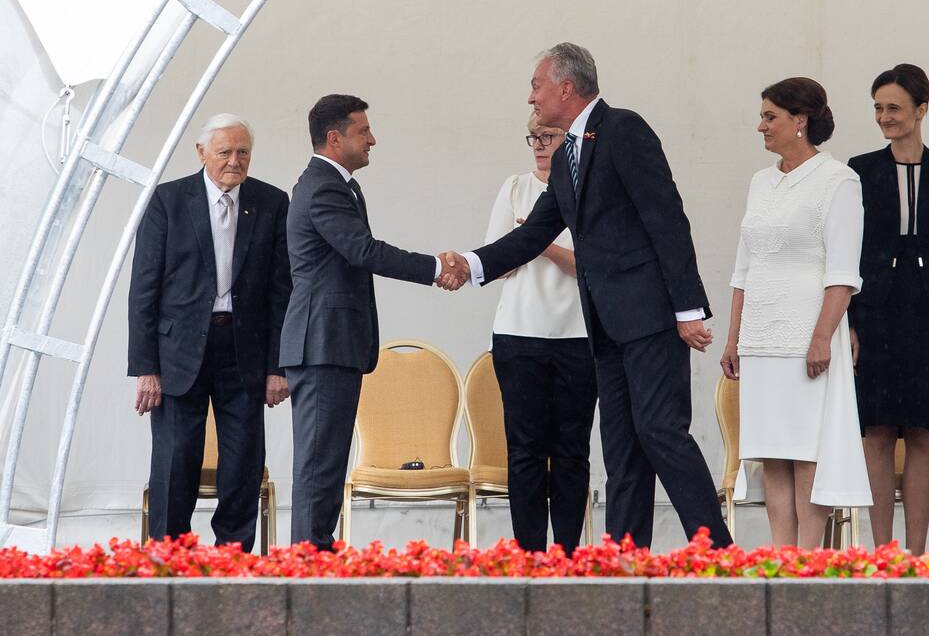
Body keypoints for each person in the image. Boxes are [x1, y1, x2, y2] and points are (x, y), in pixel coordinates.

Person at [442, 42, 733, 549]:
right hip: (605, 326)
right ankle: (624, 561)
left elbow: (667, 219)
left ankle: (719, 550)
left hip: (649, 319)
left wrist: (687, 309)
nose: (530, 98)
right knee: (620, 450)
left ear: (566, 88)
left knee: (662, 434)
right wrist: (471, 264)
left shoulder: (624, 129)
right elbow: (534, 233)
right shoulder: (569, 153)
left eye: (537, 86)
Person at [280, 94, 463, 550]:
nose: (372, 140)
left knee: (326, 466)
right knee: (319, 470)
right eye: (364, 131)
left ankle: (316, 562)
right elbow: (364, 250)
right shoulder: (323, 186)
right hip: (322, 345)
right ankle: (307, 572)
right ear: (334, 137)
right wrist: (435, 268)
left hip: (334, 345)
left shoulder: (338, 184)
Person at [128, 113, 291, 552]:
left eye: (243, 152)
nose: (234, 161)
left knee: (242, 461)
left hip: (245, 349)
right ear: (201, 153)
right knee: (175, 459)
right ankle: (168, 559)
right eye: (224, 152)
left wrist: (279, 367)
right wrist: (146, 368)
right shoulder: (167, 201)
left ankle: (233, 560)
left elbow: (282, 292)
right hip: (178, 351)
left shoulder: (273, 202)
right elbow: (143, 289)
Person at [720, 78, 871, 548]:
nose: (760, 126)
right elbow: (744, 267)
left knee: (807, 451)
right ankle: (782, 556)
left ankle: (809, 558)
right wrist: (733, 337)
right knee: (772, 453)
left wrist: (823, 335)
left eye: (770, 116)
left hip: (807, 332)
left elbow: (843, 272)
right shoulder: (760, 182)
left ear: (800, 120)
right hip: (761, 336)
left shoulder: (838, 180)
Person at [848, 64, 929, 554]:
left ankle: (917, 555)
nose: (885, 117)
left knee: (923, 431)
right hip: (875, 309)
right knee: (877, 430)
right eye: (878, 108)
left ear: (922, 109)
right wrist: (850, 324)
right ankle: (883, 552)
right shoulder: (860, 169)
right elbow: (846, 251)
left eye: (894, 107)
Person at [484, 114, 597, 552]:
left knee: (571, 450)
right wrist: (528, 244)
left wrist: (534, 236)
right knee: (525, 450)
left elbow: (586, 263)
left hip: (577, 336)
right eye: (533, 136)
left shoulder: (583, 189)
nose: (538, 144)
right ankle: (529, 554)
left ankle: (567, 553)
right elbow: (498, 262)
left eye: (548, 136)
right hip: (518, 335)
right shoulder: (514, 187)